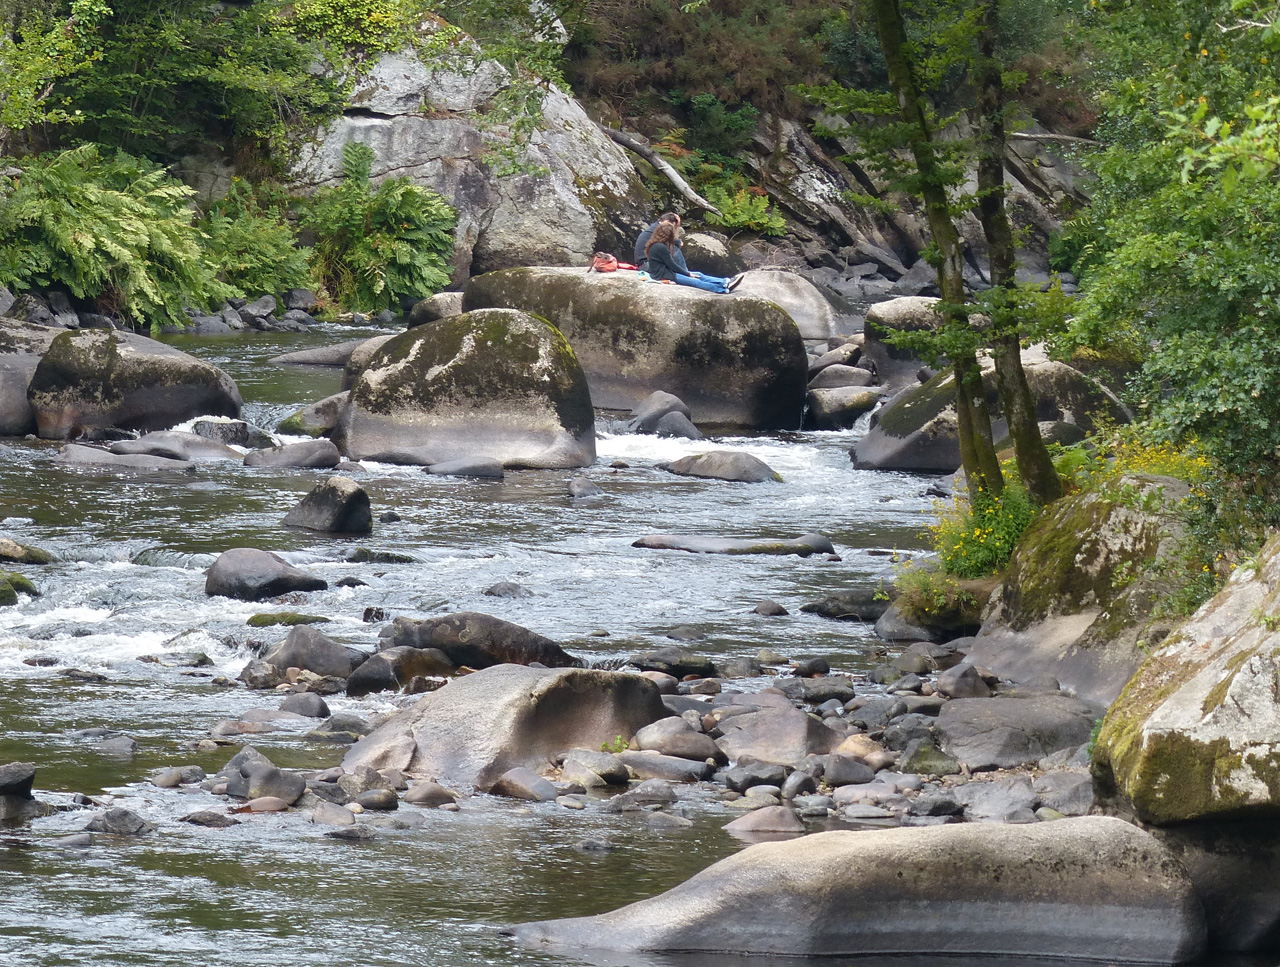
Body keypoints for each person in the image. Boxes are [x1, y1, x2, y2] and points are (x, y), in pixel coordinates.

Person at [635, 213, 742, 289]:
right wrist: (686, 273)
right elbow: (676, 249)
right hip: (650, 267)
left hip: (655, 266)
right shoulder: (659, 241)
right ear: (668, 223)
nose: (674, 229)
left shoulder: (656, 232)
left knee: (697, 274)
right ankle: (722, 288)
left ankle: (724, 282)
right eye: (674, 227)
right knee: (693, 279)